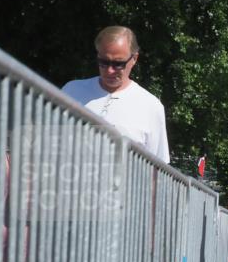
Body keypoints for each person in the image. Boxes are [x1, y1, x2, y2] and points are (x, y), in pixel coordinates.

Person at [61, 26, 170, 164]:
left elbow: (157, 170)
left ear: (134, 58)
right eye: (104, 62)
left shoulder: (151, 106)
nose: (110, 71)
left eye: (118, 64)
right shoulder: (71, 91)